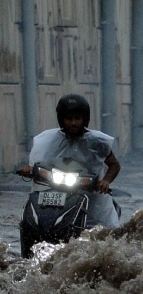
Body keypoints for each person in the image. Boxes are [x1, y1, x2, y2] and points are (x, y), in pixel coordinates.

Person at [18, 94, 121, 228]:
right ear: (61, 119)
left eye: (77, 118)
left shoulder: (96, 142)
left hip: (91, 195)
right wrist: (29, 170)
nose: (73, 123)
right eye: (69, 118)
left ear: (85, 119)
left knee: (105, 231)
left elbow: (114, 165)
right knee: (30, 222)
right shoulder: (48, 140)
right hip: (54, 190)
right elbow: (37, 164)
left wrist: (105, 181)